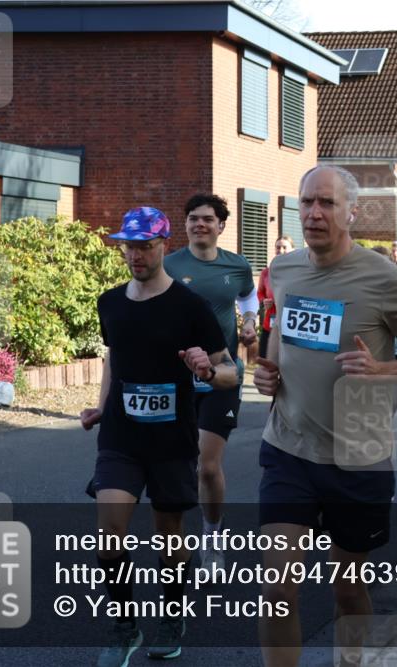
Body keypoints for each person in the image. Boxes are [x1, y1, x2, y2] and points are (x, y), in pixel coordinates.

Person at [253, 165, 397, 667]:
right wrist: (268, 372)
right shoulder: (284, 269)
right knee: (275, 587)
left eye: (327, 204)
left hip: (358, 456)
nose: (314, 214)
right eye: (306, 203)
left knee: (347, 590)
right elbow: (280, 334)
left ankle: (352, 659)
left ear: (351, 212)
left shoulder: (389, 279)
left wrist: (381, 369)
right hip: (288, 448)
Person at [81, 207, 237, 666]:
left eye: (145, 245)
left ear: (163, 244)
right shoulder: (109, 302)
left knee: (170, 538)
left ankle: (172, 614)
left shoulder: (190, 307)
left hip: (171, 438)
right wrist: (102, 405)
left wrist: (208, 370)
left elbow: (228, 369)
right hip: (121, 437)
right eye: (128, 246)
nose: (135, 255)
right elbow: (115, 358)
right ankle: (125, 627)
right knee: (109, 535)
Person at [163, 193, 258, 573]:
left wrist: (249, 322)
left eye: (207, 219)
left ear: (221, 225)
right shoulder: (168, 264)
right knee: (177, 462)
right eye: (192, 219)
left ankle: (212, 536)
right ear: (185, 224)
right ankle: (173, 538)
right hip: (175, 377)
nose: (199, 224)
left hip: (222, 374)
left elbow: (249, 299)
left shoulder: (237, 266)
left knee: (206, 464)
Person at [258, 236, 295, 359]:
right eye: (278, 247)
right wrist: (264, 301)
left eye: (285, 247)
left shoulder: (298, 274)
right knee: (266, 362)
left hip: (290, 327)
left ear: (293, 250)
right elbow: (260, 292)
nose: (281, 250)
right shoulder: (266, 273)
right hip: (270, 325)